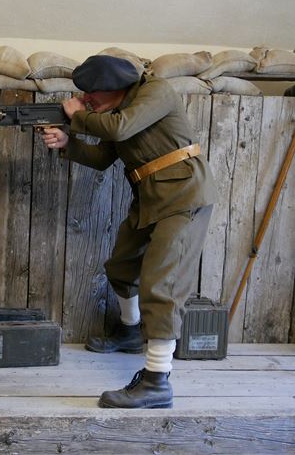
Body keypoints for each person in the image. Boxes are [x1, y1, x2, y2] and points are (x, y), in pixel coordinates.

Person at [41, 55, 218, 409]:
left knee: (160, 286)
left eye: (92, 94)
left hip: (183, 195)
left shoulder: (156, 91)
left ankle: (156, 381)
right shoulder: (113, 112)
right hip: (150, 198)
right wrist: (67, 143)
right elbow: (104, 156)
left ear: (115, 87)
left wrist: (77, 116)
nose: (87, 100)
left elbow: (120, 128)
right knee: (121, 268)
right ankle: (130, 330)